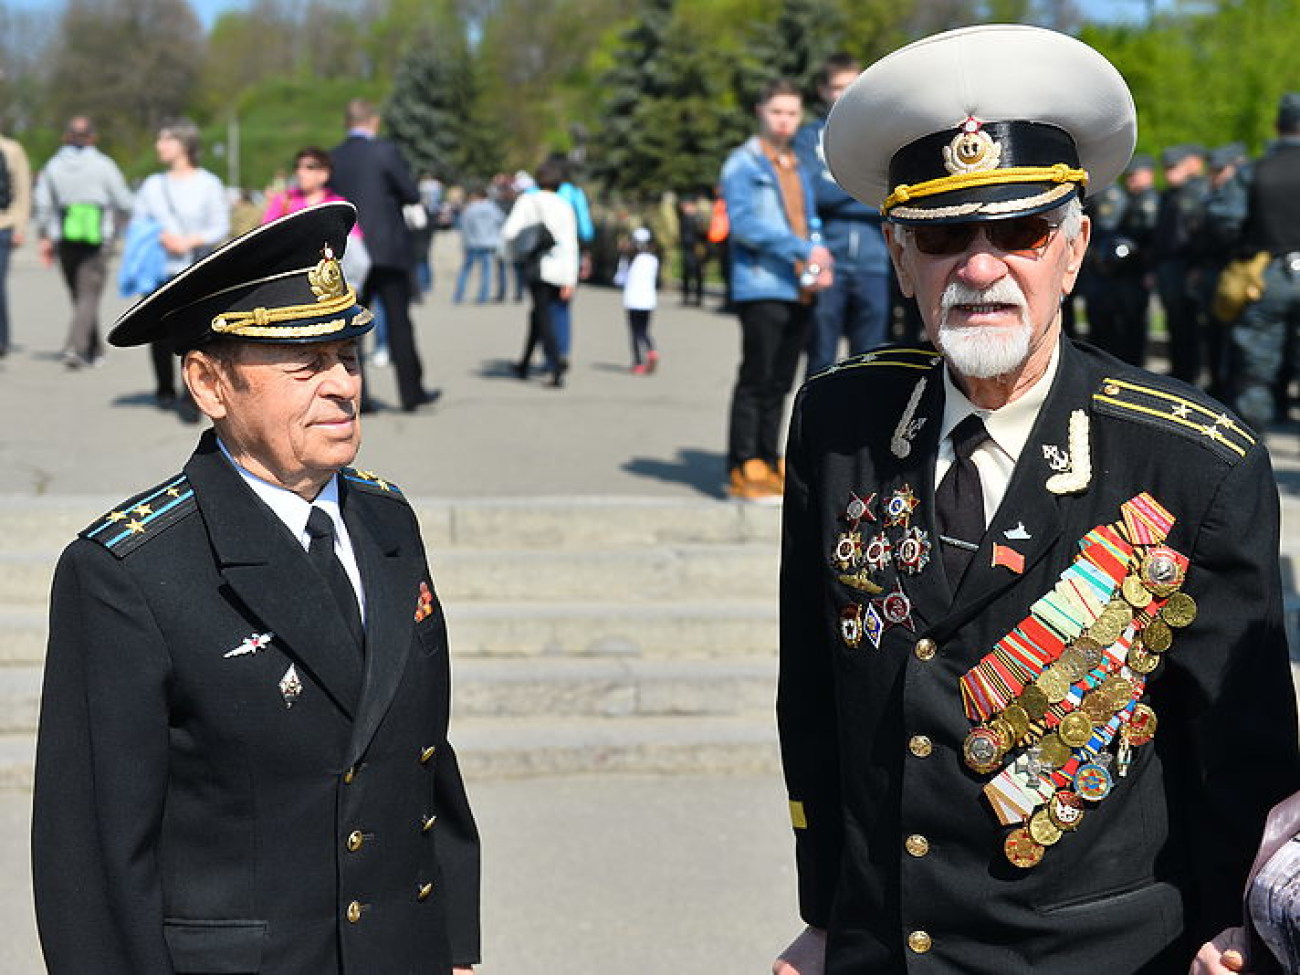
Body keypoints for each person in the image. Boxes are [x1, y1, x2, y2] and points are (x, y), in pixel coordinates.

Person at [773, 25, 1300, 975]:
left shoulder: (1189, 460)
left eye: (1018, 233)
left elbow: (1243, 742)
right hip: (884, 945)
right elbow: (814, 699)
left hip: (1100, 954)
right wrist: (826, 913)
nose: (979, 270)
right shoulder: (839, 419)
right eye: (941, 237)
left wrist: (1237, 926)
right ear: (901, 260)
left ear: (1073, 249)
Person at [31, 201, 481, 974]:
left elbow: (418, 757)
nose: (342, 385)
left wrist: (453, 945)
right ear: (209, 383)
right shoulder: (131, 571)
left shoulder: (386, 518)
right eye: (306, 365)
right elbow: (97, 857)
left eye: (348, 355)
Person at [721, 77, 832, 501]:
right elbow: (745, 226)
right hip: (761, 285)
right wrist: (802, 247)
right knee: (757, 376)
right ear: (760, 113)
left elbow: (809, 219)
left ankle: (768, 456)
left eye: (791, 113)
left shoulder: (795, 166)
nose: (785, 121)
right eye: (777, 112)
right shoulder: (744, 164)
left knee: (782, 379)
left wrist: (819, 254)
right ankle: (742, 461)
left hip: (797, 286)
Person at [330, 98, 436, 413]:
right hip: (389, 248)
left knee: (353, 326)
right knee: (400, 321)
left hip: (351, 253)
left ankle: (358, 398)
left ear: (347, 123)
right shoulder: (385, 151)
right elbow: (411, 194)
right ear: (373, 122)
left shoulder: (334, 157)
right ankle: (411, 393)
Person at [794, 52, 892, 378]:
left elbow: (889, 195)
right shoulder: (809, 137)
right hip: (828, 261)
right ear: (823, 91)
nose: (844, 93)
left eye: (852, 85)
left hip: (875, 262)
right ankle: (815, 428)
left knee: (871, 359)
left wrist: (842, 192)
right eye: (837, 87)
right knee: (821, 355)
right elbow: (811, 194)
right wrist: (865, 192)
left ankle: (865, 430)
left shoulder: (878, 136)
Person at [130, 118, 230, 419]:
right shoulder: (152, 185)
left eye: (165, 139)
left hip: (195, 268)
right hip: (159, 268)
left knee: (195, 333)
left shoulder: (208, 183)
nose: (159, 146)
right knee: (159, 332)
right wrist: (163, 237)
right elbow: (139, 221)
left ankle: (192, 393)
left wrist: (189, 241)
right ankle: (164, 387)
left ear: (184, 144)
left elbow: (220, 225)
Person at [32, 115, 134, 369]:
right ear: (93, 137)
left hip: (64, 238)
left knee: (80, 294)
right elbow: (123, 200)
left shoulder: (53, 166)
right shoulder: (104, 165)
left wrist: (45, 233)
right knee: (88, 294)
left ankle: (93, 348)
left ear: (66, 137)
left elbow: (43, 204)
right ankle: (76, 348)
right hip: (98, 238)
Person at [1230, 96, 1300, 434]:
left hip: (1267, 273)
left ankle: (1254, 443)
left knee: (1256, 363)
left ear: (1278, 126)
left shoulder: (1256, 170)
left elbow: (1225, 219)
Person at [500, 158, 579, 388]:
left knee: (543, 316)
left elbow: (509, 231)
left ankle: (555, 366)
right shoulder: (565, 205)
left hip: (538, 266)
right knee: (538, 314)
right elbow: (571, 244)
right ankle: (524, 362)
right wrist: (570, 280)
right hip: (561, 268)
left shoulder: (528, 201)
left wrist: (518, 250)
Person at [1082, 153, 1159, 366]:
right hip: (1117, 272)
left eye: (1136, 175)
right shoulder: (1131, 199)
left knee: (1130, 324)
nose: (1131, 180)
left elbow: (1148, 238)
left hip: (1132, 270)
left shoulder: (1140, 199)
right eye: (1130, 176)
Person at [1153, 143, 1211, 386]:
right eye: (1166, 168)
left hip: (1185, 266)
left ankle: (1189, 374)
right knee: (1176, 323)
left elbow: (1195, 235)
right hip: (1170, 267)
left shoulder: (1194, 192)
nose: (1169, 173)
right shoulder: (1171, 195)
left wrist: (1195, 265)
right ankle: (1180, 372)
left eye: (1173, 168)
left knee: (1188, 324)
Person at [0, 124, 31, 358]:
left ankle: (2, 339)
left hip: (4, 224)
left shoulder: (11, 150)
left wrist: (20, 226)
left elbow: (22, 189)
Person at [453, 183, 504, 304]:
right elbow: (501, 221)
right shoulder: (492, 208)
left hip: (473, 242)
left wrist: (464, 242)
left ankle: (458, 296)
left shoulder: (470, 209)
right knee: (486, 271)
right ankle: (483, 297)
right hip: (488, 242)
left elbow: (463, 226)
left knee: (466, 270)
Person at [621, 226, 660, 374]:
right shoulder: (653, 260)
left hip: (632, 300)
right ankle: (651, 351)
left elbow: (620, 278)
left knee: (635, 332)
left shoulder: (629, 259)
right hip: (649, 300)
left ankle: (638, 362)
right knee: (644, 330)